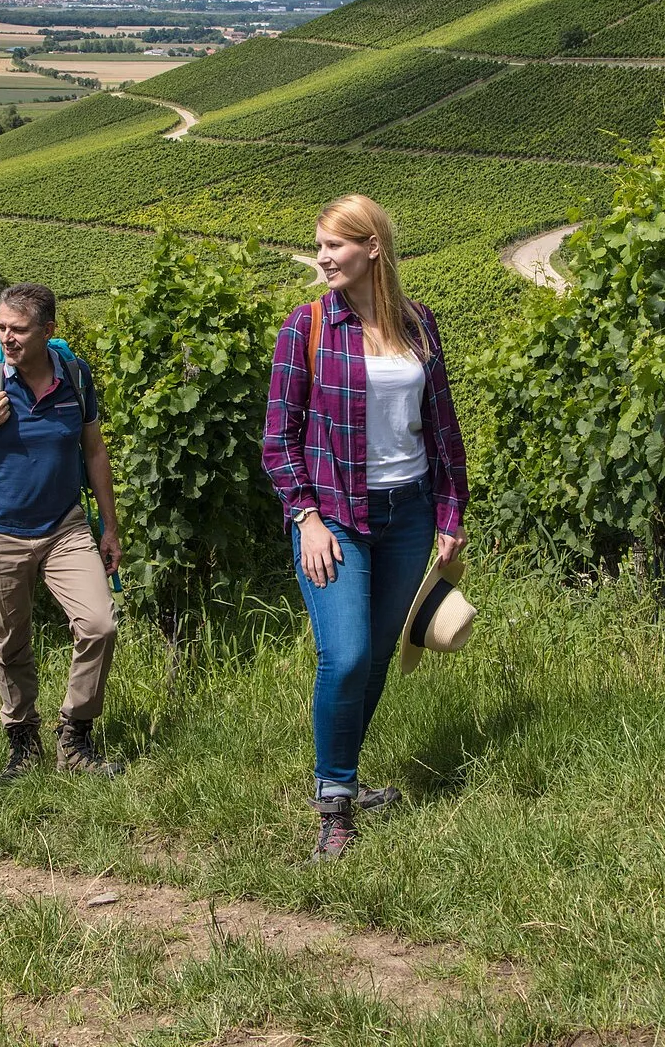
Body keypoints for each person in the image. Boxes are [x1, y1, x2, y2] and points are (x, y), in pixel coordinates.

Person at [261, 194, 469, 861]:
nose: (323, 257)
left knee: (378, 656)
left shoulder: (417, 323)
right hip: (334, 517)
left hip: (407, 514)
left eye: (336, 245)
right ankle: (335, 805)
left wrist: (449, 511)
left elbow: (442, 426)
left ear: (372, 247)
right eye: (319, 245)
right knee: (345, 655)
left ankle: (344, 782)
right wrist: (306, 516)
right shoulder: (308, 327)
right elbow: (278, 439)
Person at [0, 282, 124, 780]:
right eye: (1, 327)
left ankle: (75, 737)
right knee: (10, 642)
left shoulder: (75, 376)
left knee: (99, 624)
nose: (7, 338)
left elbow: (94, 451)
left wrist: (110, 526)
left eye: (18, 329)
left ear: (48, 331)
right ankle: (23, 742)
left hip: (65, 526)